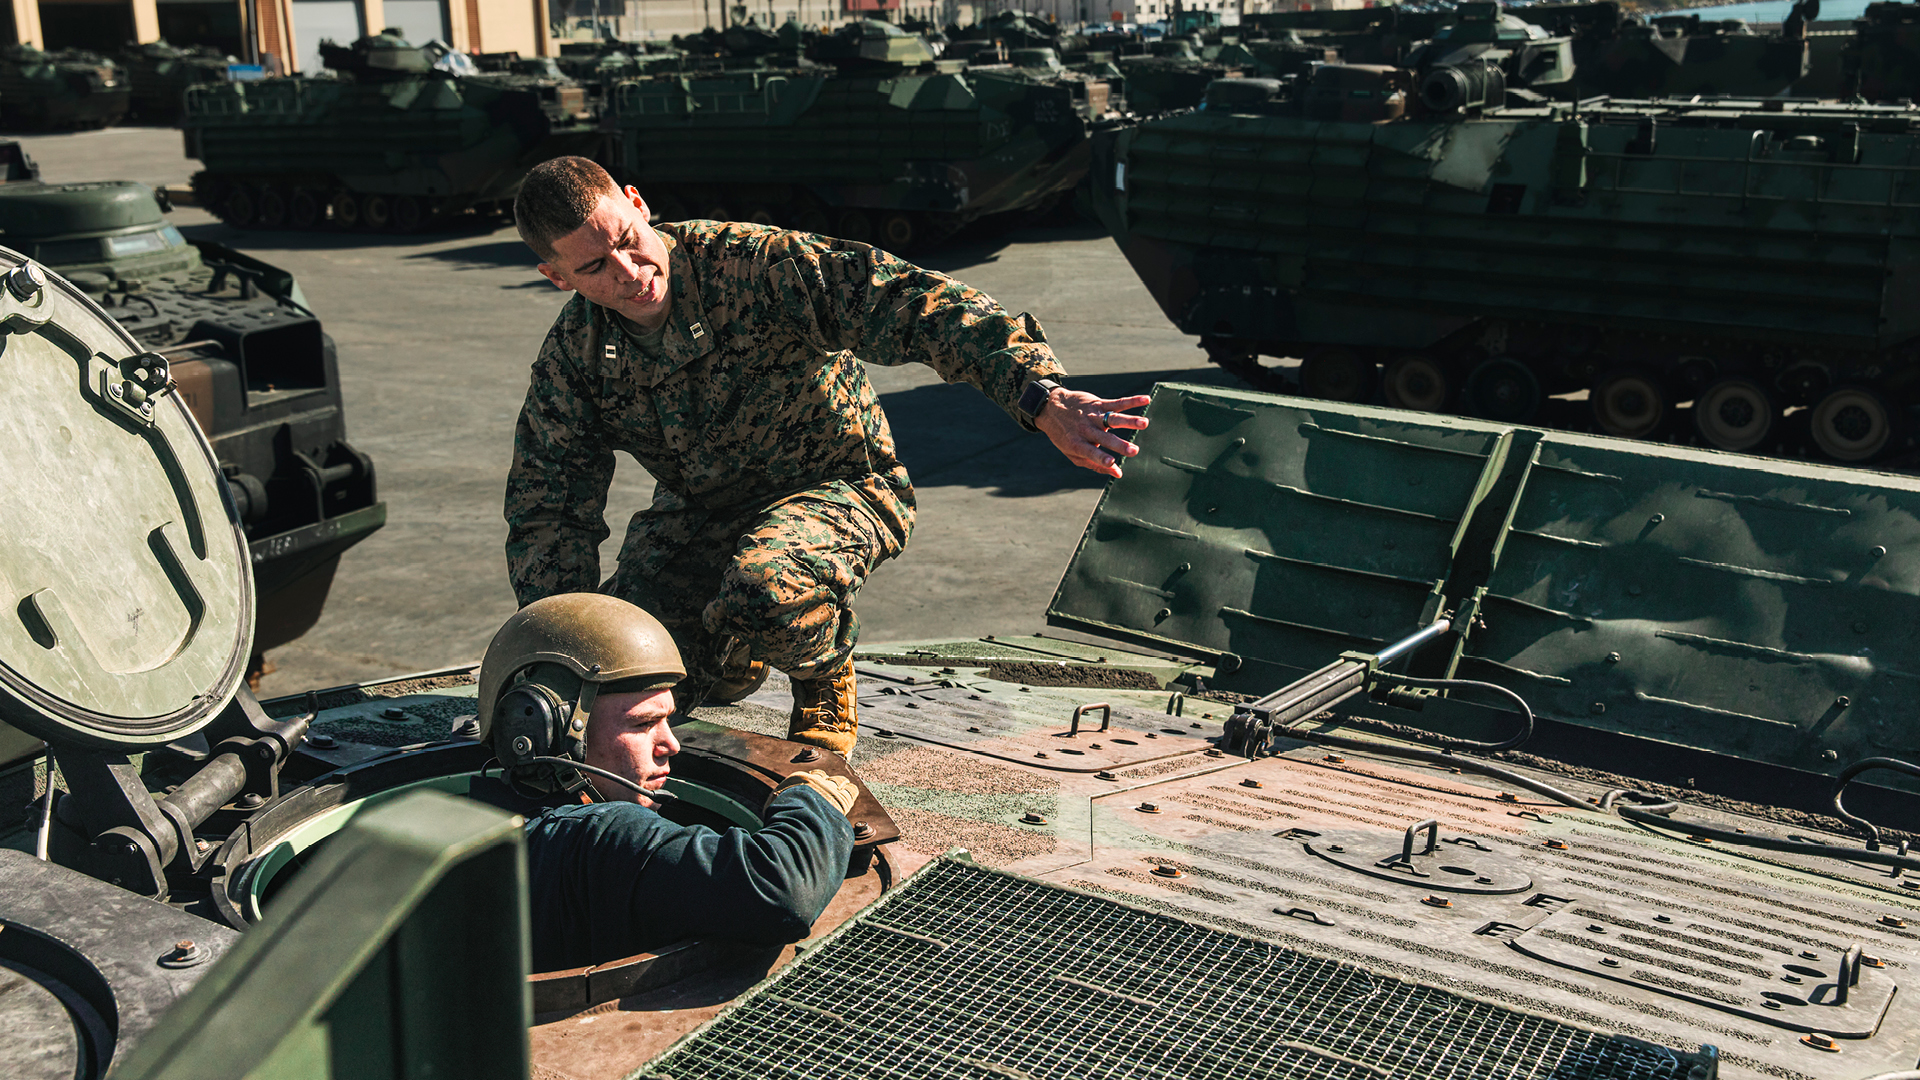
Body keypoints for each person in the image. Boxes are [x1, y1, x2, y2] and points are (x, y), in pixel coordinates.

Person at [504, 156, 1149, 756]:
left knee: (765, 585)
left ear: (638, 203)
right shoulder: (573, 359)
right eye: (594, 267)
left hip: (840, 488)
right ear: (557, 277)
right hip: (701, 515)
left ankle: (823, 673)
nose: (627, 270)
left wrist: (1039, 396)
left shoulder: (752, 267)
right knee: (626, 665)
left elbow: (913, 302)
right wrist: (563, 648)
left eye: (627, 239)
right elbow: (548, 508)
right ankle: (739, 646)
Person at [474, 591, 860, 971]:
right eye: (643, 723)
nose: (670, 744)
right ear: (543, 728)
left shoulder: (476, 820)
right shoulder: (608, 835)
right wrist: (811, 805)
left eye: (667, 720)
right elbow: (783, 891)